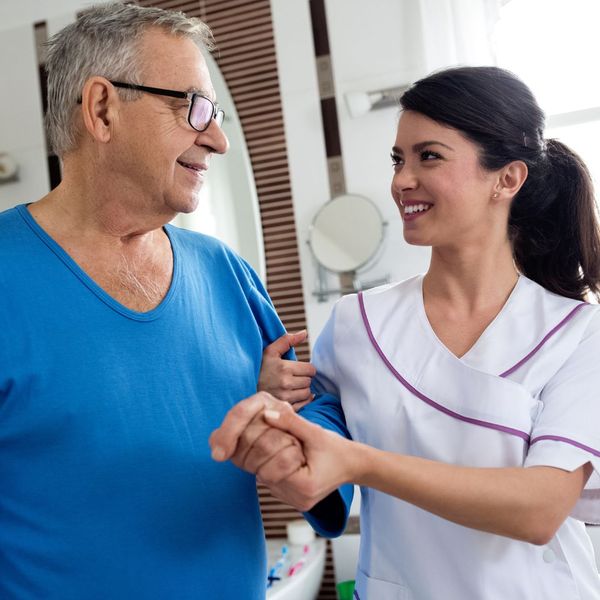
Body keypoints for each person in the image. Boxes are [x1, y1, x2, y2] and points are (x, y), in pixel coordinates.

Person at [211, 66, 600, 599]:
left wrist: (362, 462)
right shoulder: (358, 323)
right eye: (398, 159)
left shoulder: (577, 334)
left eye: (429, 156)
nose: (401, 180)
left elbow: (540, 509)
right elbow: (321, 447)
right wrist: (280, 412)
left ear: (507, 179)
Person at [0, 3, 320, 599]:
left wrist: (273, 416)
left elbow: (312, 425)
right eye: (194, 107)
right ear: (102, 109)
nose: (218, 139)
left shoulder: (227, 273)